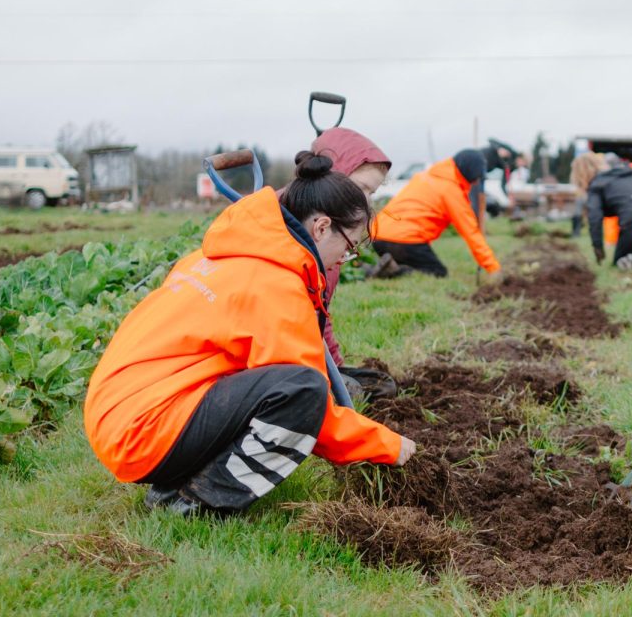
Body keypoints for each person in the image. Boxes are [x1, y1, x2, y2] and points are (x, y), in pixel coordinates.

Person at [83, 152, 416, 517]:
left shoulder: (215, 256)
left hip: (116, 414)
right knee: (303, 391)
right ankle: (196, 501)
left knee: (279, 385)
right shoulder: (275, 287)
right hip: (143, 431)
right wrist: (387, 445)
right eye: (350, 247)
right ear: (322, 227)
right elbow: (312, 408)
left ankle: (175, 481)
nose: (342, 260)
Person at [306, 128, 398, 399]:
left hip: (306, 351)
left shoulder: (335, 231)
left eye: (372, 192)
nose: (367, 201)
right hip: (280, 359)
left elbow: (321, 314)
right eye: (362, 189)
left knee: (380, 384)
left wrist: (336, 365)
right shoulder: (305, 226)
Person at [371, 149, 501, 278]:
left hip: (378, 238)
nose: (476, 183)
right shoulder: (451, 190)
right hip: (404, 241)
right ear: (469, 172)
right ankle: (394, 272)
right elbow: (471, 233)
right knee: (437, 272)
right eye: (476, 178)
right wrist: (493, 268)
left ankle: (380, 267)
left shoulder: (427, 176)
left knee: (415, 260)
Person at [570, 153, 632, 270]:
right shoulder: (628, 174)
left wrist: (598, 247)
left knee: (618, 264)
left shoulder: (596, 185)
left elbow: (595, 218)